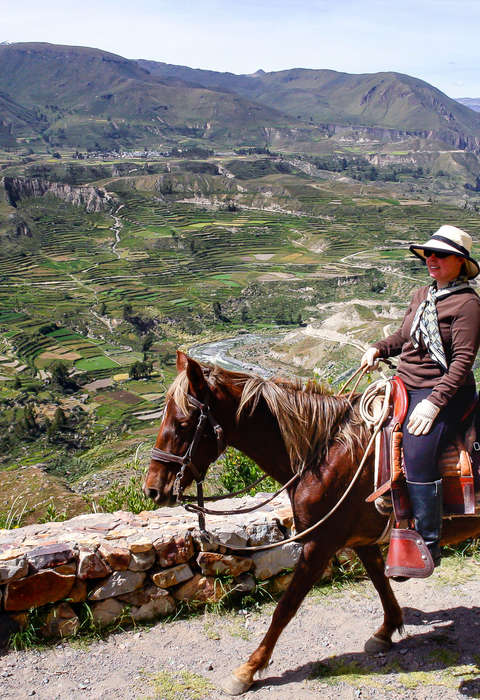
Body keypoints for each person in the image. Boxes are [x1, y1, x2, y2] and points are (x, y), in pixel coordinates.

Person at [361, 225, 480, 566]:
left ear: (459, 262)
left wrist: (433, 402)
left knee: (417, 451)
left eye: (440, 254)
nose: (431, 259)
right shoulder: (422, 294)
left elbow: (461, 363)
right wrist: (379, 348)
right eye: (428, 253)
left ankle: (428, 541)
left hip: (445, 391)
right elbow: (403, 336)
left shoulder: (468, 305)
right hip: (405, 383)